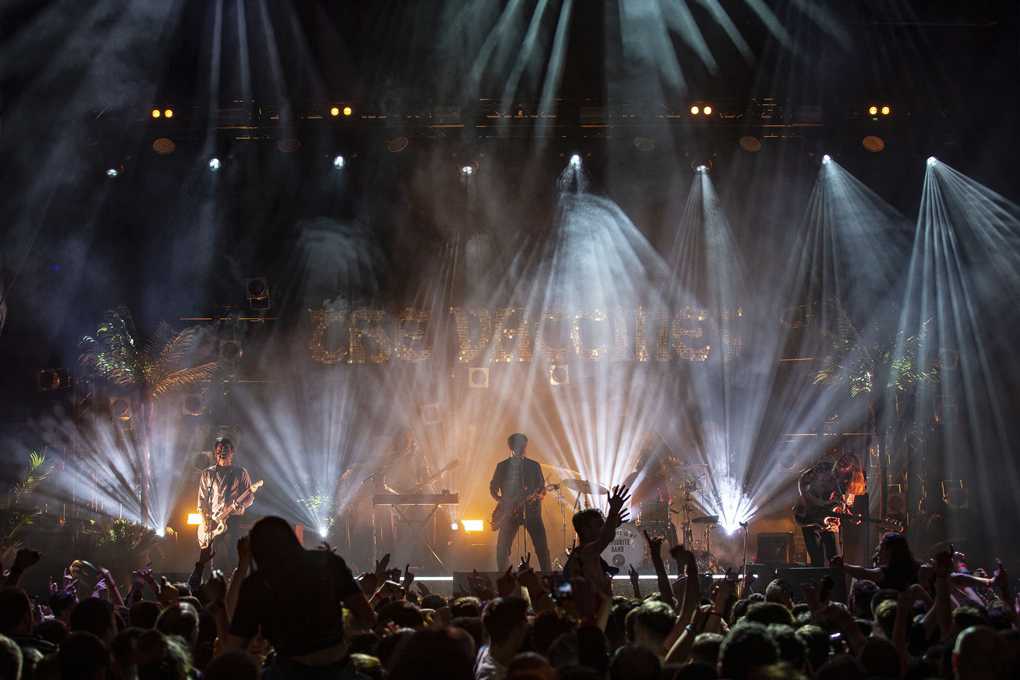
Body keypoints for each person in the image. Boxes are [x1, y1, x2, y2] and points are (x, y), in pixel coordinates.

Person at [223, 516, 376, 678]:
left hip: (289, 672)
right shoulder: (329, 563)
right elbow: (368, 618)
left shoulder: (257, 584)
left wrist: (243, 564)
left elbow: (233, 650)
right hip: (338, 668)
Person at [490, 434, 552, 573]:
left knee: (541, 547)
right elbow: (493, 488)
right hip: (510, 514)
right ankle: (504, 578)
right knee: (502, 548)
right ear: (512, 446)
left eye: (524, 445)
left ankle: (548, 577)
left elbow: (542, 489)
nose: (523, 448)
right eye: (521, 445)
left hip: (532, 513)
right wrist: (503, 502)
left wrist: (538, 496)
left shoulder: (534, 466)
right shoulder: (502, 466)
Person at [198, 437, 256, 573]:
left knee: (232, 551)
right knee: (209, 554)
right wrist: (204, 520)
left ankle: (234, 579)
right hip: (212, 519)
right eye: (219, 450)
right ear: (215, 452)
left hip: (232, 518)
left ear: (232, 452)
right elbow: (201, 500)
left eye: (225, 450)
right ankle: (209, 580)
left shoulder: (240, 472)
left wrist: (241, 507)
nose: (222, 452)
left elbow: (250, 497)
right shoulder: (207, 474)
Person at [562, 486, 631, 595]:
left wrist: (612, 524)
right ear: (585, 530)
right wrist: (613, 512)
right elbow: (605, 538)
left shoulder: (587, 552)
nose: (603, 528)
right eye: (599, 525)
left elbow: (605, 535)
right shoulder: (586, 552)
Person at [831, 532, 920, 591]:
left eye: (881, 546)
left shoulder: (889, 572)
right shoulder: (917, 567)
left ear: (890, 550)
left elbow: (864, 573)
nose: (877, 549)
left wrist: (843, 566)